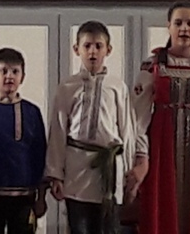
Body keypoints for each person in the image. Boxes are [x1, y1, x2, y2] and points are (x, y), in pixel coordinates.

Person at [126, 1, 190, 234]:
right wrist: (141, 155)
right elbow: (138, 117)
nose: (184, 29)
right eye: (178, 23)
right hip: (162, 149)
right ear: (168, 27)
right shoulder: (153, 65)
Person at [46, 21, 136, 234]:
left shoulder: (117, 86)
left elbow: (127, 131)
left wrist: (129, 173)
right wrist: (55, 174)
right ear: (76, 49)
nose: (93, 52)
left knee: (108, 228)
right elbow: (58, 131)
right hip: (76, 168)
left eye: (98, 46)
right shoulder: (67, 87)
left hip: (109, 169)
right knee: (80, 227)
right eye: (87, 46)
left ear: (108, 50)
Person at [0, 48, 48, 234]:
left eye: (15, 71)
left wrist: (41, 196)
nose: (9, 76)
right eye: (3, 71)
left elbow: (40, 155)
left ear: (22, 77)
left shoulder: (32, 112)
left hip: (25, 195)